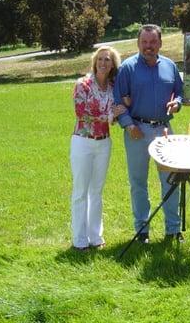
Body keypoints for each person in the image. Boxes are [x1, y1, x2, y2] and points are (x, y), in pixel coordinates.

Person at [114, 24, 184, 244]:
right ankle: (142, 231)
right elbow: (118, 101)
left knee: (171, 180)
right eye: (144, 42)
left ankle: (173, 230)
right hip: (137, 130)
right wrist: (128, 125)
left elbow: (180, 93)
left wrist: (177, 103)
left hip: (164, 131)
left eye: (153, 42)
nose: (148, 46)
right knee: (138, 182)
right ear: (138, 43)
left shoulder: (170, 66)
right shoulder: (127, 68)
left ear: (160, 43)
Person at [70, 46, 123, 251]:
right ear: (95, 61)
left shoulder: (113, 86)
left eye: (107, 60)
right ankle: (79, 239)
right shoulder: (83, 84)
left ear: (113, 64)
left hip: (104, 142)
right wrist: (110, 116)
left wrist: (118, 112)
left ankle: (95, 236)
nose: (103, 63)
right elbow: (81, 112)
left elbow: (119, 108)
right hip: (83, 141)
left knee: (97, 191)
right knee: (80, 191)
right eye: (100, 59)